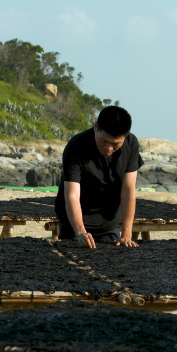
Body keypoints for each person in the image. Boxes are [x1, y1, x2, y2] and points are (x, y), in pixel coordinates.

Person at [54, 106, 144, 248]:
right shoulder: (76, 146)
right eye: (103, 141)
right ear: (95, 127)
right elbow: (72, 195)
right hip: (75, 221)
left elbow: (128, 190)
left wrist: (126, 234)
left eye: (115, 144)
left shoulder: (131, 144)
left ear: (125, 137)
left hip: (108, 221)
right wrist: (80, 232)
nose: (108, 148)